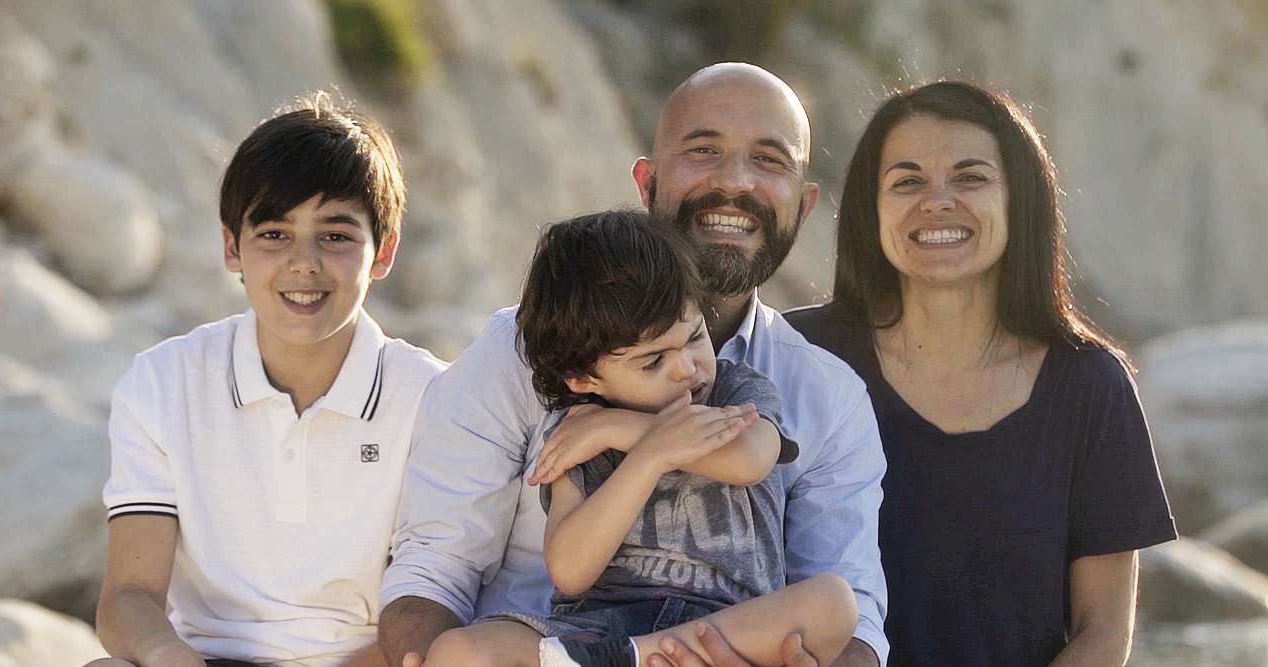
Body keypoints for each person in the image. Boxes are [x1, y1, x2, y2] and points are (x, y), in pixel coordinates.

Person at [378, 63, 888, 667]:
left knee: (832, 604)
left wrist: (630, 432)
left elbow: (854, 619)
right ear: (647, 184)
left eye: (769, 160)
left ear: (803, 208)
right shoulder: (523, 348)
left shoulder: (820, 395)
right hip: (566, 646)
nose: (735, 181)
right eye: (704, 150)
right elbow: (439, 563)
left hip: (723, 647)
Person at [785, 81, 1177, 666]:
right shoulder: (800, 355)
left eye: (971, 178)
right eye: (907, 181)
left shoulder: (1091, 386)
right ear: (871, 210)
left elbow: (1102, 630)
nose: (938, 201)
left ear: (1021, 200)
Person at [85, 94, 447, 667]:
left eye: (335, 236)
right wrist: (166, 655)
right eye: (274, 234)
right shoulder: (162, 382)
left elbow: (439, 605)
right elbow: (129, 596)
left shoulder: (436, 400)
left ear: (384, 254)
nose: (304, 263)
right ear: (232, 246)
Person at [419, 211, 857, 667]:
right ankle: (629, 655)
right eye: (653, 362)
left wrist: (633, 433)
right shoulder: (576, 437)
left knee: (834, 603)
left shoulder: (736, 389)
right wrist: (645, 461)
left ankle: (637, 657)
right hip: (595, 635)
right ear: (584, 377)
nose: (687, 368)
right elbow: (570, 572)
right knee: (457, 652)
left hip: (726, 626)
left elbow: (751, 459)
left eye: (694, 337)